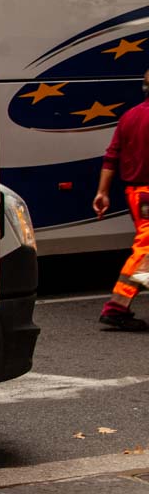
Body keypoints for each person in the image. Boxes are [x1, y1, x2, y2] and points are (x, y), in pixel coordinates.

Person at [93, 68, 149, 331]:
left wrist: (102, 192)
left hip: (136, 194)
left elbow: (111, 156)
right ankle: (117, 307)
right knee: (145, 251)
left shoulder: (129, 116)